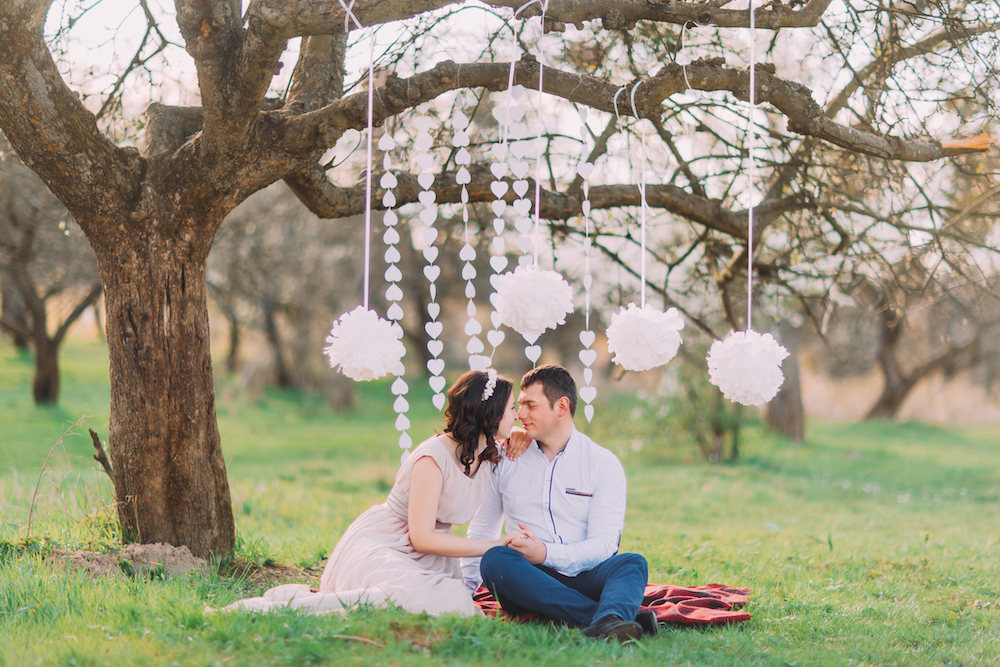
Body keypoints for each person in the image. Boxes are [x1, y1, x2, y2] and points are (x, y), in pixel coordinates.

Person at [217, 368, 528, 616]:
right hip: (388, 542)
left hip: (431, 558)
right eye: (511, 408)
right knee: (414, 599)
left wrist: (520, 435)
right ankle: (282, 608)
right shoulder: (433, 458)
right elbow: (421, 537)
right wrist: (494, 545)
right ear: (489, 414)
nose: (517, 415)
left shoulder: (487, 451)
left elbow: (528, 435)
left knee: (452, 604)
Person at [461, 364, 653, 641]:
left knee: (631, 563)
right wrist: (464, 594)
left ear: (561, 406)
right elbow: (482, 531)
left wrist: (547, 553)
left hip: (587, 575)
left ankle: (604, 618)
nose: (520, 414)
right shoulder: (504, 458)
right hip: (526, 578)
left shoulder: (602, 464)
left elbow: (604, 544)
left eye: (530, 405)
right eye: (519, 405)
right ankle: (610, 619)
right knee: (494, 559)